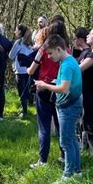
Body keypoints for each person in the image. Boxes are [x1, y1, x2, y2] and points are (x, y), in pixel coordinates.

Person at [34, 34, 83, 181]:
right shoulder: (68, 61)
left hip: (68, 107)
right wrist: (57, 80)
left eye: (50, 53)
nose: (48, 57)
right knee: (72, 140)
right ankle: (77, 171)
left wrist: (44, 85)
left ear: (59, 49)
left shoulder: (67, 64)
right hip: (71, 104)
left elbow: (64, 89)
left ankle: (67, 175)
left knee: (66, 142)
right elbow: (65, 83)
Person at [27, 27, 63, 168]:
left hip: (43, 87)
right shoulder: (66, 49)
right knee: (61, 124)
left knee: (44, 126)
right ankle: (64, 155)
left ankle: (43, 160)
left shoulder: (42, 50)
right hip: (59, 87)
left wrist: (28, 71)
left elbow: (31, 69)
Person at [9, 24, 33, 118]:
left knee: (21, 91)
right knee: (26, 90)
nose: (15, 32)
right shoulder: (30, 43)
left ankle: (24, 110)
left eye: (16, 30)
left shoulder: (18, 43)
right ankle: (26, 108)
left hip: (19, 70)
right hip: (29, 69)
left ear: (20, 32)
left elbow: (11, 55)